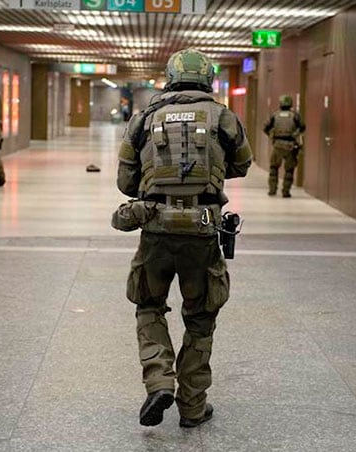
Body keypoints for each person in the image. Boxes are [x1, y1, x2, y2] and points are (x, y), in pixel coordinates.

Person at [114, 48, 252, 428]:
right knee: (201, 317)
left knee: (148, 306)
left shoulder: (144, 118)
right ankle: (192, 407)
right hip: (202, 230)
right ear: (208, 79)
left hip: (155, 230)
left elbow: (126, 182)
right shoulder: (223, 116)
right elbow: (242, 164)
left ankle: (159, 381)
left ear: (169, 78)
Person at [263, 95, 305, 197]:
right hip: (290, 145)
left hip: (277, 145)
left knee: (273, 168)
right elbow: (302, 127)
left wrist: (272, 136)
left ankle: (272, 190)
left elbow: (266, 127)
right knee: (289, 170)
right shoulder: (295, 115)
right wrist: (295, 135)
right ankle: (286, 191)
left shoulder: (275, 115)